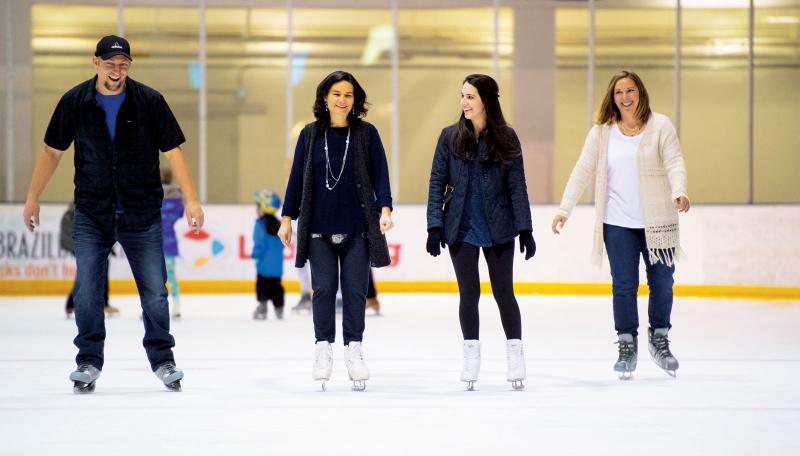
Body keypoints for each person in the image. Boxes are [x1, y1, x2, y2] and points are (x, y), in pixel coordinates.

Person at [22, 35, 204, 393]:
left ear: (129, 66)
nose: (116, 71)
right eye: (110, 64)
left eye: (123, 65)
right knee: (88, 290)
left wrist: (191, 200)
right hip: (92, 212)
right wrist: (32, 197)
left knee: (154, 291)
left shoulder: (149, 101)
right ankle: (88, 361)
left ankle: (163, 359)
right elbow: (52, 152)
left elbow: (174, 152)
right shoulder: (75, 101)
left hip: (142, 212)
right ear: (96, 63)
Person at [551, 70, 689, 380]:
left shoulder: (661, 126)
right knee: (624, 286)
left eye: (630, 91)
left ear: (640, 94)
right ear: (612, 98)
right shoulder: (602, 133)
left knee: (663, 284)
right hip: (617, 223)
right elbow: (582, 170)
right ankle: (627, 344)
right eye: (618, 93)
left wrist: (680, 191)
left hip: (658, 221)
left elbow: (675, 161)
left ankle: (659, 339)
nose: (625, 97)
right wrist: (564, 209)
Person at [278, 70, 394, 391]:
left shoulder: (366, 134)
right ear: (325, 98)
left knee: (356, 291)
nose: (342, 101)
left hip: (358, 229)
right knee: (325, 289)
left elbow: (381, 175)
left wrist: (385, 209)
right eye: (337, 94)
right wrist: (287, 217)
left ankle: (354, 350)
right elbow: (297, 180)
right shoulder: (310, 134)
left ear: (354, 101)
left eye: (348, 95)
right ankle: (323, 349)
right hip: (318, 229)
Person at [426, 74, 535, 391]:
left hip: (499, 225)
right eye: (462, 96)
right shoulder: (449, 137)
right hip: (461, 225)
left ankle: (515, 353)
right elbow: (436, 183)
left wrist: (525, 228)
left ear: (486, 100)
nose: (464, 103)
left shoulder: (507, 137)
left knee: (504, 293)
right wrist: (434, 226)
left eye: (471, 97)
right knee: (468, 293)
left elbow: (518, 186)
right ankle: (471, 353)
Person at [61, 201, 120, 318]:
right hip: (78, 241)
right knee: (91, 267)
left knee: (92, 267)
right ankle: (78, 303)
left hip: (81, 241)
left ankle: (73, 303)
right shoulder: (81, 207)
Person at [252, 189, 285, 320]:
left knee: (262, 286)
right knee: (277, 287)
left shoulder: (259, 224)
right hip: (277, 267)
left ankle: (262, 308)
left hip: (263, 266)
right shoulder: (280, 224)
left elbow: (259, 244)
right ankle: (279, 308)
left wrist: (256, 257)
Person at [160, 166, 184, 319]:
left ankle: (153, 307)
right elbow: (180, 213)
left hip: (152, 241)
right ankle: (176, 305)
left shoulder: (151, 193)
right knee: (171, 275)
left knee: (152, 277)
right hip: (169, 241)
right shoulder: (177, 196)